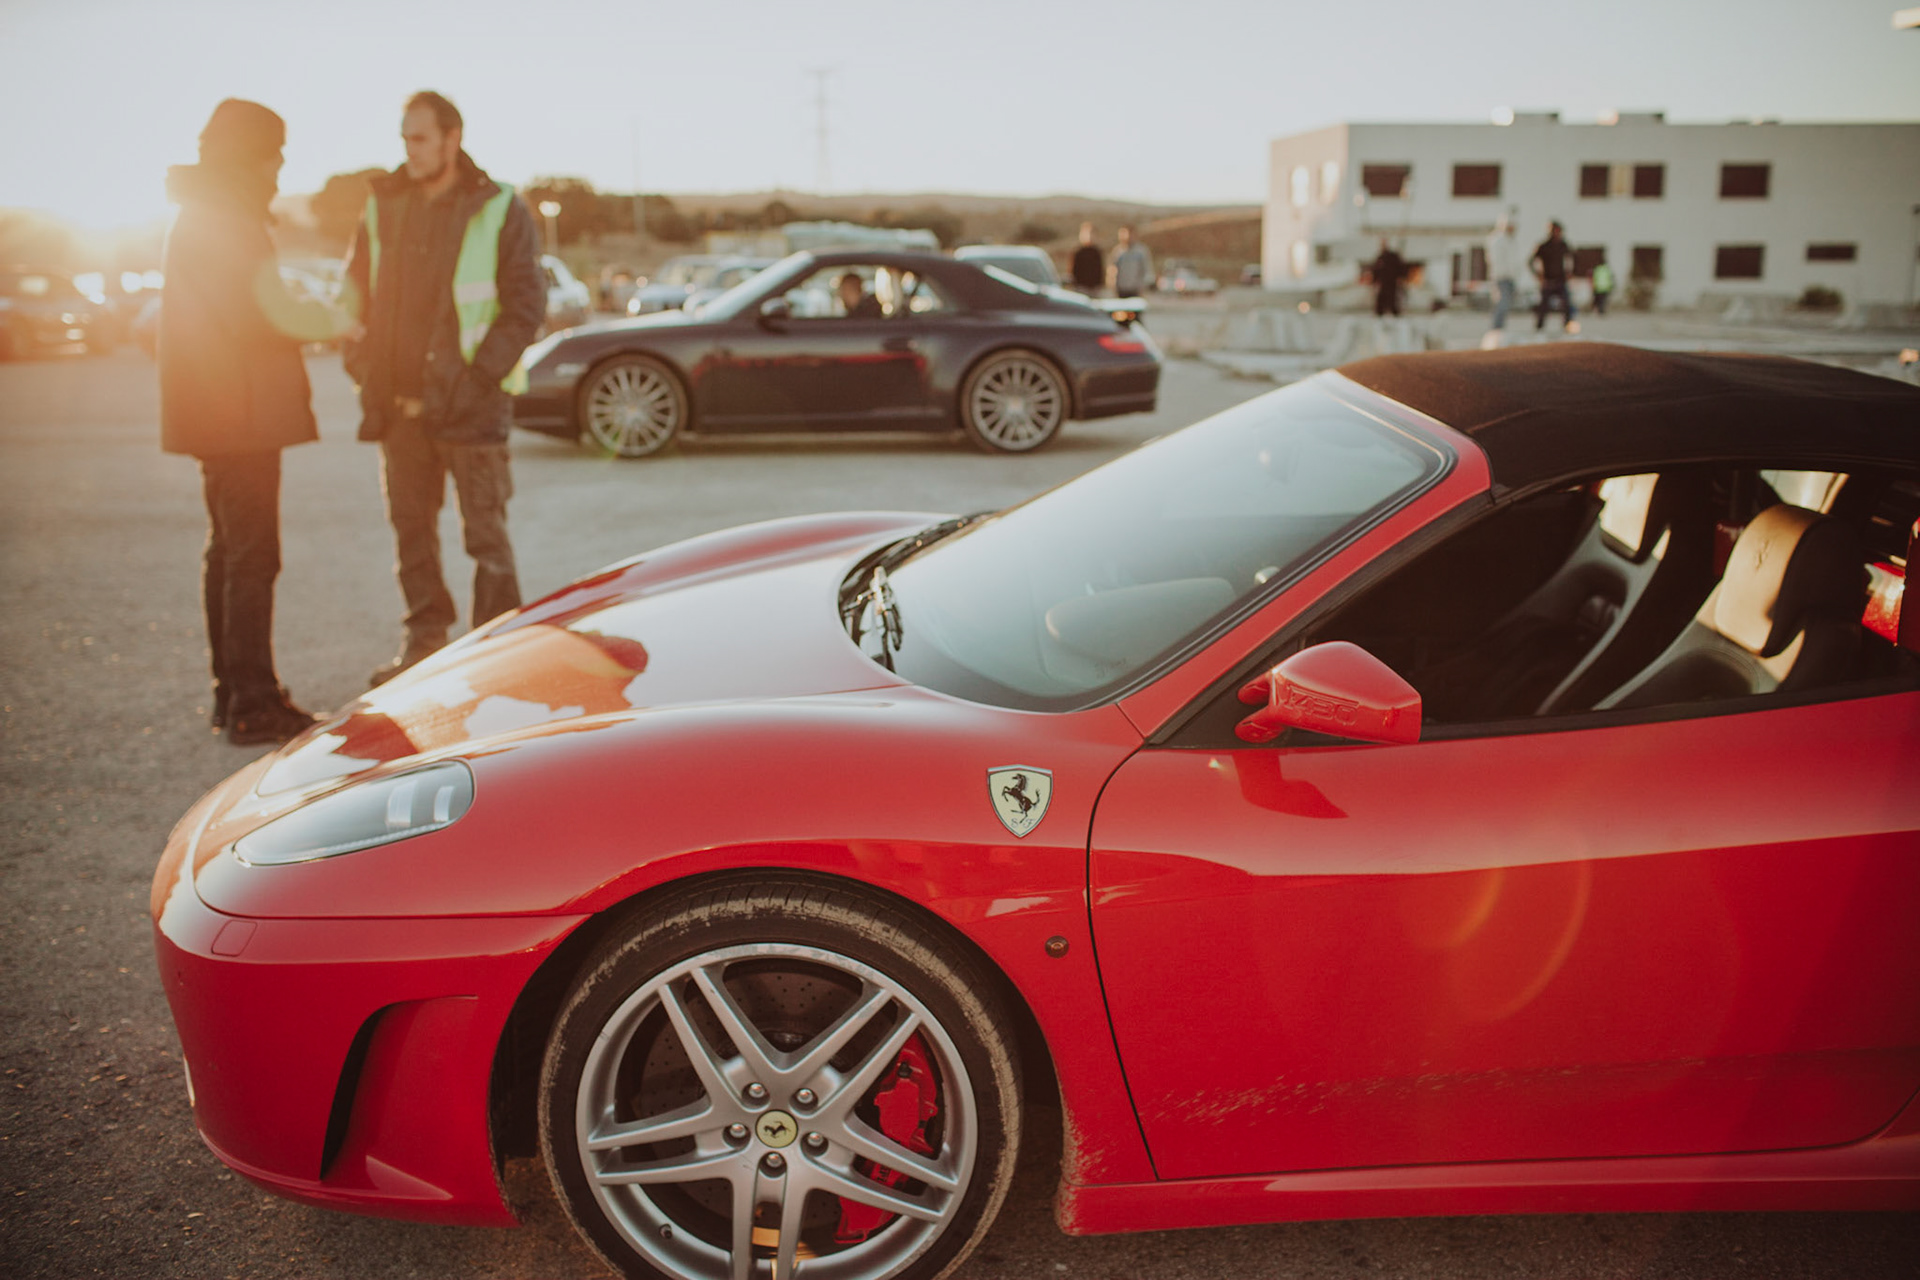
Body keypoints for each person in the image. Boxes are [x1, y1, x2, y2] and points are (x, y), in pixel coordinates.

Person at [159, 99, 359, 745]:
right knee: (252, 556)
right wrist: (331, 320)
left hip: (217, 411)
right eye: (273, 155)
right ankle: (253, 701)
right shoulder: (224, 218)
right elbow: (256, 311)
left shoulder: (206, 210)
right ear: (248, 156)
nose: (279, 169)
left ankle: (233, 693)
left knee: (227, 552)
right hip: (237, 413)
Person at [342, 91, 545, 687]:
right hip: (398, 406)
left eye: (420, 138)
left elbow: (525, 304)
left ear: (452, 138)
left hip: (471, 407)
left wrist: (478, 380)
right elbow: (354, 291)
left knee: (486, 537)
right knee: (412, 532)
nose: (409, 150)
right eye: (404, 138)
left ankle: (501, 659)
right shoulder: (383, 204)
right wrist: (362, 364)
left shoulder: (499, 206)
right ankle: (424, 646)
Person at [1531, 220, 1579, 333]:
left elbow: (1575, 257)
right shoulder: (1543, 246)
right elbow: (1530, 261)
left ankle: (1568, 326)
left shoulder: (1563, 245)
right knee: (1543, 307)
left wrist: (1571, 272)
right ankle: (1539, 328)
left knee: (1567, 305)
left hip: (1560, 280)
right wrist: (1538, 275)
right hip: (1548, 281)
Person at [1486, 213, 1524, 330]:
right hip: (1500, 277)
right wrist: (1502, 273)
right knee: (1502, 303)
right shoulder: (1497, 240)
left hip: (1510, 277)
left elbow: (1514, 260)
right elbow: (1495, 260)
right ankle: (1496, 328)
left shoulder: (1512, 241)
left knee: (1506, 304)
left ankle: (1500, 327)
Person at [1368, 237, 1408, 317]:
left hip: (1392, 281)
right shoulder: (1380, 257)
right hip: (1383, 281)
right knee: (1381, 297)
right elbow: (1376, 269)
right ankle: (1380, 313)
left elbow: (1401, 267)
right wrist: (1374, 280)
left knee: (1393, 297)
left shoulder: (1394, 256)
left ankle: (1394, 313)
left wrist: (1400, 277)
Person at [1110, 225, 1153, 299]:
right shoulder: (1117, 252)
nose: (1127, 237)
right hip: (1121, 289)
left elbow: (1147, 270)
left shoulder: (1141, 251)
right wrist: (1113, 287)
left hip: (1136, 290)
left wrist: (1144, 287)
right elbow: (1112, 271)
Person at [1070, 221, 1104, 295]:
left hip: (1094, 289)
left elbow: (1100, 271)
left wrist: (1099, 285)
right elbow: (1073, 271)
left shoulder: (1097, 252)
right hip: (1081, 288)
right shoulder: (1078, 252)